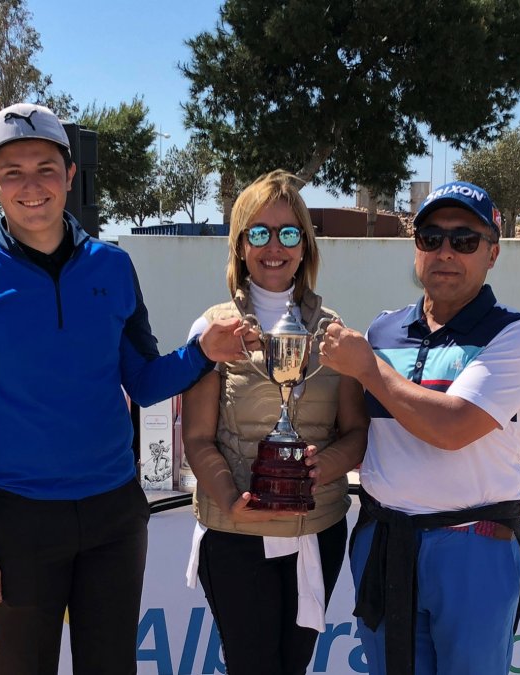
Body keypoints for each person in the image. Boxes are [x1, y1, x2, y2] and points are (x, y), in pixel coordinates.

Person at [0, 102, 250, 675]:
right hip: (19, 520)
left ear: (70, 176)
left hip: (113, 515)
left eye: (46, 168)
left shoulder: (112, 267)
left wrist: (202, 353)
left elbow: (144, 381)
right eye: (13, 172)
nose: (32, 186)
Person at [318, 181, 520, 675]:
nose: (445, 252)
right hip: (384, 538)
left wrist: (367, 369)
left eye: (464, 240)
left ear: (493, 253)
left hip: (473, 544)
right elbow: (355, 431)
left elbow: (453, 427)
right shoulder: (381, 331)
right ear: (416, 248)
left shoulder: (515, 334)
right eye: (430, 238)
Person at [181, 169, 369, 675]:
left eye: (288, 233)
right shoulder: (212, 328)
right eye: (258, 233)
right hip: (236, 533)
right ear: (240, 245)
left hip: (316, 530)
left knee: (294, 666)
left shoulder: (335, 335)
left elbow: (354, 436)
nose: (274, 247)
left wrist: (315, 469)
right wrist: (229, 497)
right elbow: (196, 438)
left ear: (305, 246)